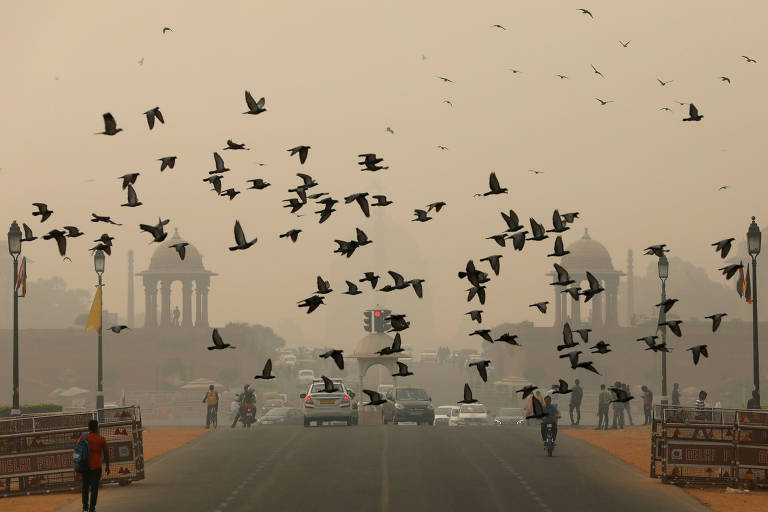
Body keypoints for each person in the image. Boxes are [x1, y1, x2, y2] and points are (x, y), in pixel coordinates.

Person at [78, 419, 110, 512]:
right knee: (94, 488)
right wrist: (107, 466)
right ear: (97, 428)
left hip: (85, 467)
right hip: (96, 467)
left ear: (88, 428)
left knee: (85, 487)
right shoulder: (101, 439)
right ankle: (92, 508)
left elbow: (78, 451)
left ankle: (84, 507)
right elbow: (106, 453)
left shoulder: (82, 438)